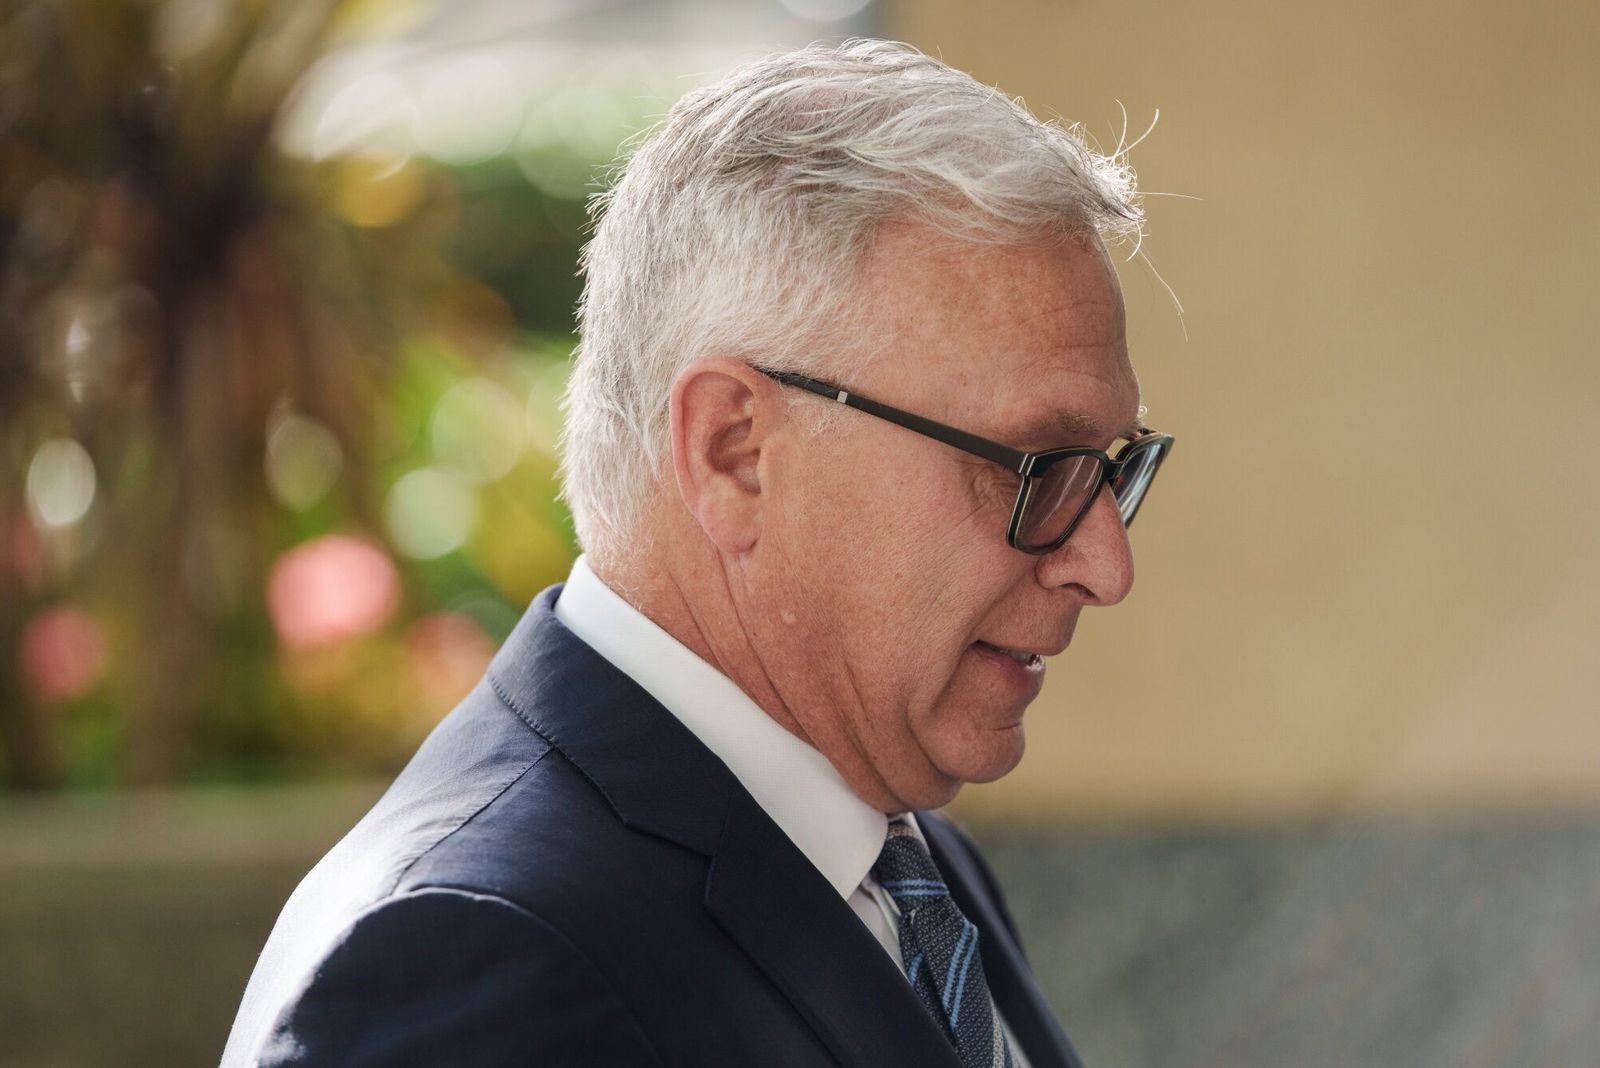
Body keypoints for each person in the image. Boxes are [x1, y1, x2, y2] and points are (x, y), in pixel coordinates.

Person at [223, 38, 1173, 1068]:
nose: (1104, 565)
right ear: (733, 453)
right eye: (1035, 465)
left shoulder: (908, 863)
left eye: (1109, 466)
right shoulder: (473, 957)